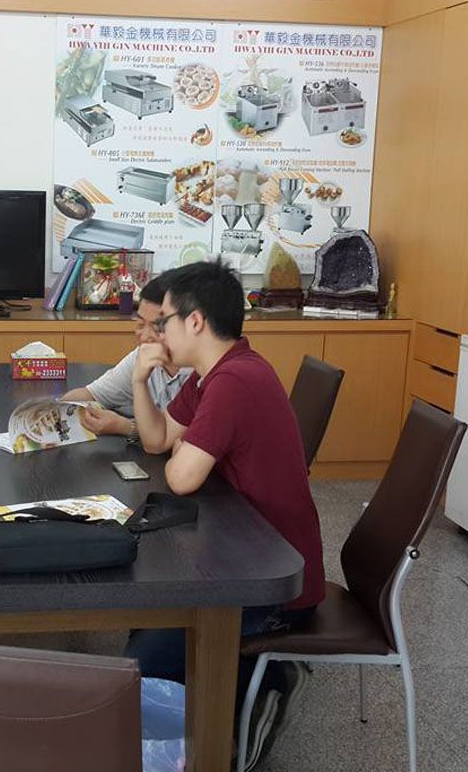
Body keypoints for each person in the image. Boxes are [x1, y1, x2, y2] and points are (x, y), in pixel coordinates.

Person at [126, 261, 325, 770]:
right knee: (145, 625)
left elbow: (181, 477)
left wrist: (185, 450)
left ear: (194, 322)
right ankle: (239, 685)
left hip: (275, 583)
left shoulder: (236, 379)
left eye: (164, 322)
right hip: (245, 551)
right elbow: (157, 440)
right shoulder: (214, 373)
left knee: (144, 659)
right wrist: (140, 381)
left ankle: (258, 692)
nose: (158, 334)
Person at [61, 271, 193, 440]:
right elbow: (92, 394)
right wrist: (54, 409)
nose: (144, 337)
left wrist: (125, 426)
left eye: (157, 327)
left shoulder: (203, 373)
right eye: (140, 324)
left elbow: (179, 441)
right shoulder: (143, 355)